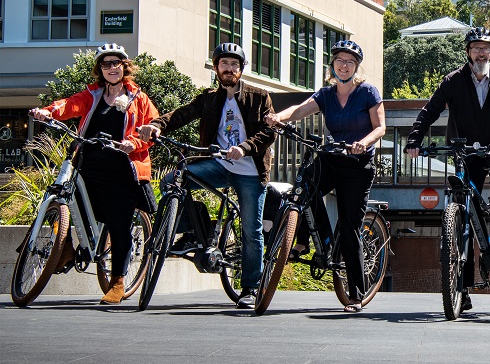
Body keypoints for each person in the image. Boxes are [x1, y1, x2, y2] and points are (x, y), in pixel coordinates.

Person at [138, 43, 274, 309]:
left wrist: (244, 148)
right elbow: (180, 115)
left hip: (250, 171)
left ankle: (250, 288)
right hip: (219, 166)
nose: (229, 68)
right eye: (224, 64)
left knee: (251, 231)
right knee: (173, 180)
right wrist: (155, 125)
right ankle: (195, 227)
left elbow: (269, 133)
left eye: (235, 64)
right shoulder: (208, 98)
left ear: (241, 69)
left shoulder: (260, 97)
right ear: (216, 68)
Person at [29, 43, 159, 305]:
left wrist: (133, 143)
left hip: (123, 168)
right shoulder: (93, 94)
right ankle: (63, 247)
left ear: (124, 67)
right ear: (100, 69)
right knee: (62, 195)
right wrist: (47, 111)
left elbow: (152, 128)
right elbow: (69, 105)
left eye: (116, 63)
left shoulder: (139, 98)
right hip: (89, 163)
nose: (112, 68)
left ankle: (118, 281)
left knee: (119, 221)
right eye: (106, 63)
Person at [264, 39, 385, 313]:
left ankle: (356, 293)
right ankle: (306, 241)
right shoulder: (326, 94)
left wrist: (363, 142)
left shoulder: (367, 92)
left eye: (350, 62)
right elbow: (299, 110)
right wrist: (277, 118)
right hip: (331, 158)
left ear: (356, 67)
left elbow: (380, 128)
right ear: (333, 65)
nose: (344, 65)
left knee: (350, 224)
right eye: (340, 60)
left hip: (357, 165)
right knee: (303, 187)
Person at [405, 26, 490, 312]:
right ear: (468, 52)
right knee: (463, 216)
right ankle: (462, 288)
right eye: (475, 47)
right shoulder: (453, 81)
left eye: (485, 48)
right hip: (465, 152)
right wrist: (414, 140)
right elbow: (429, 111)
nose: (480, 52)